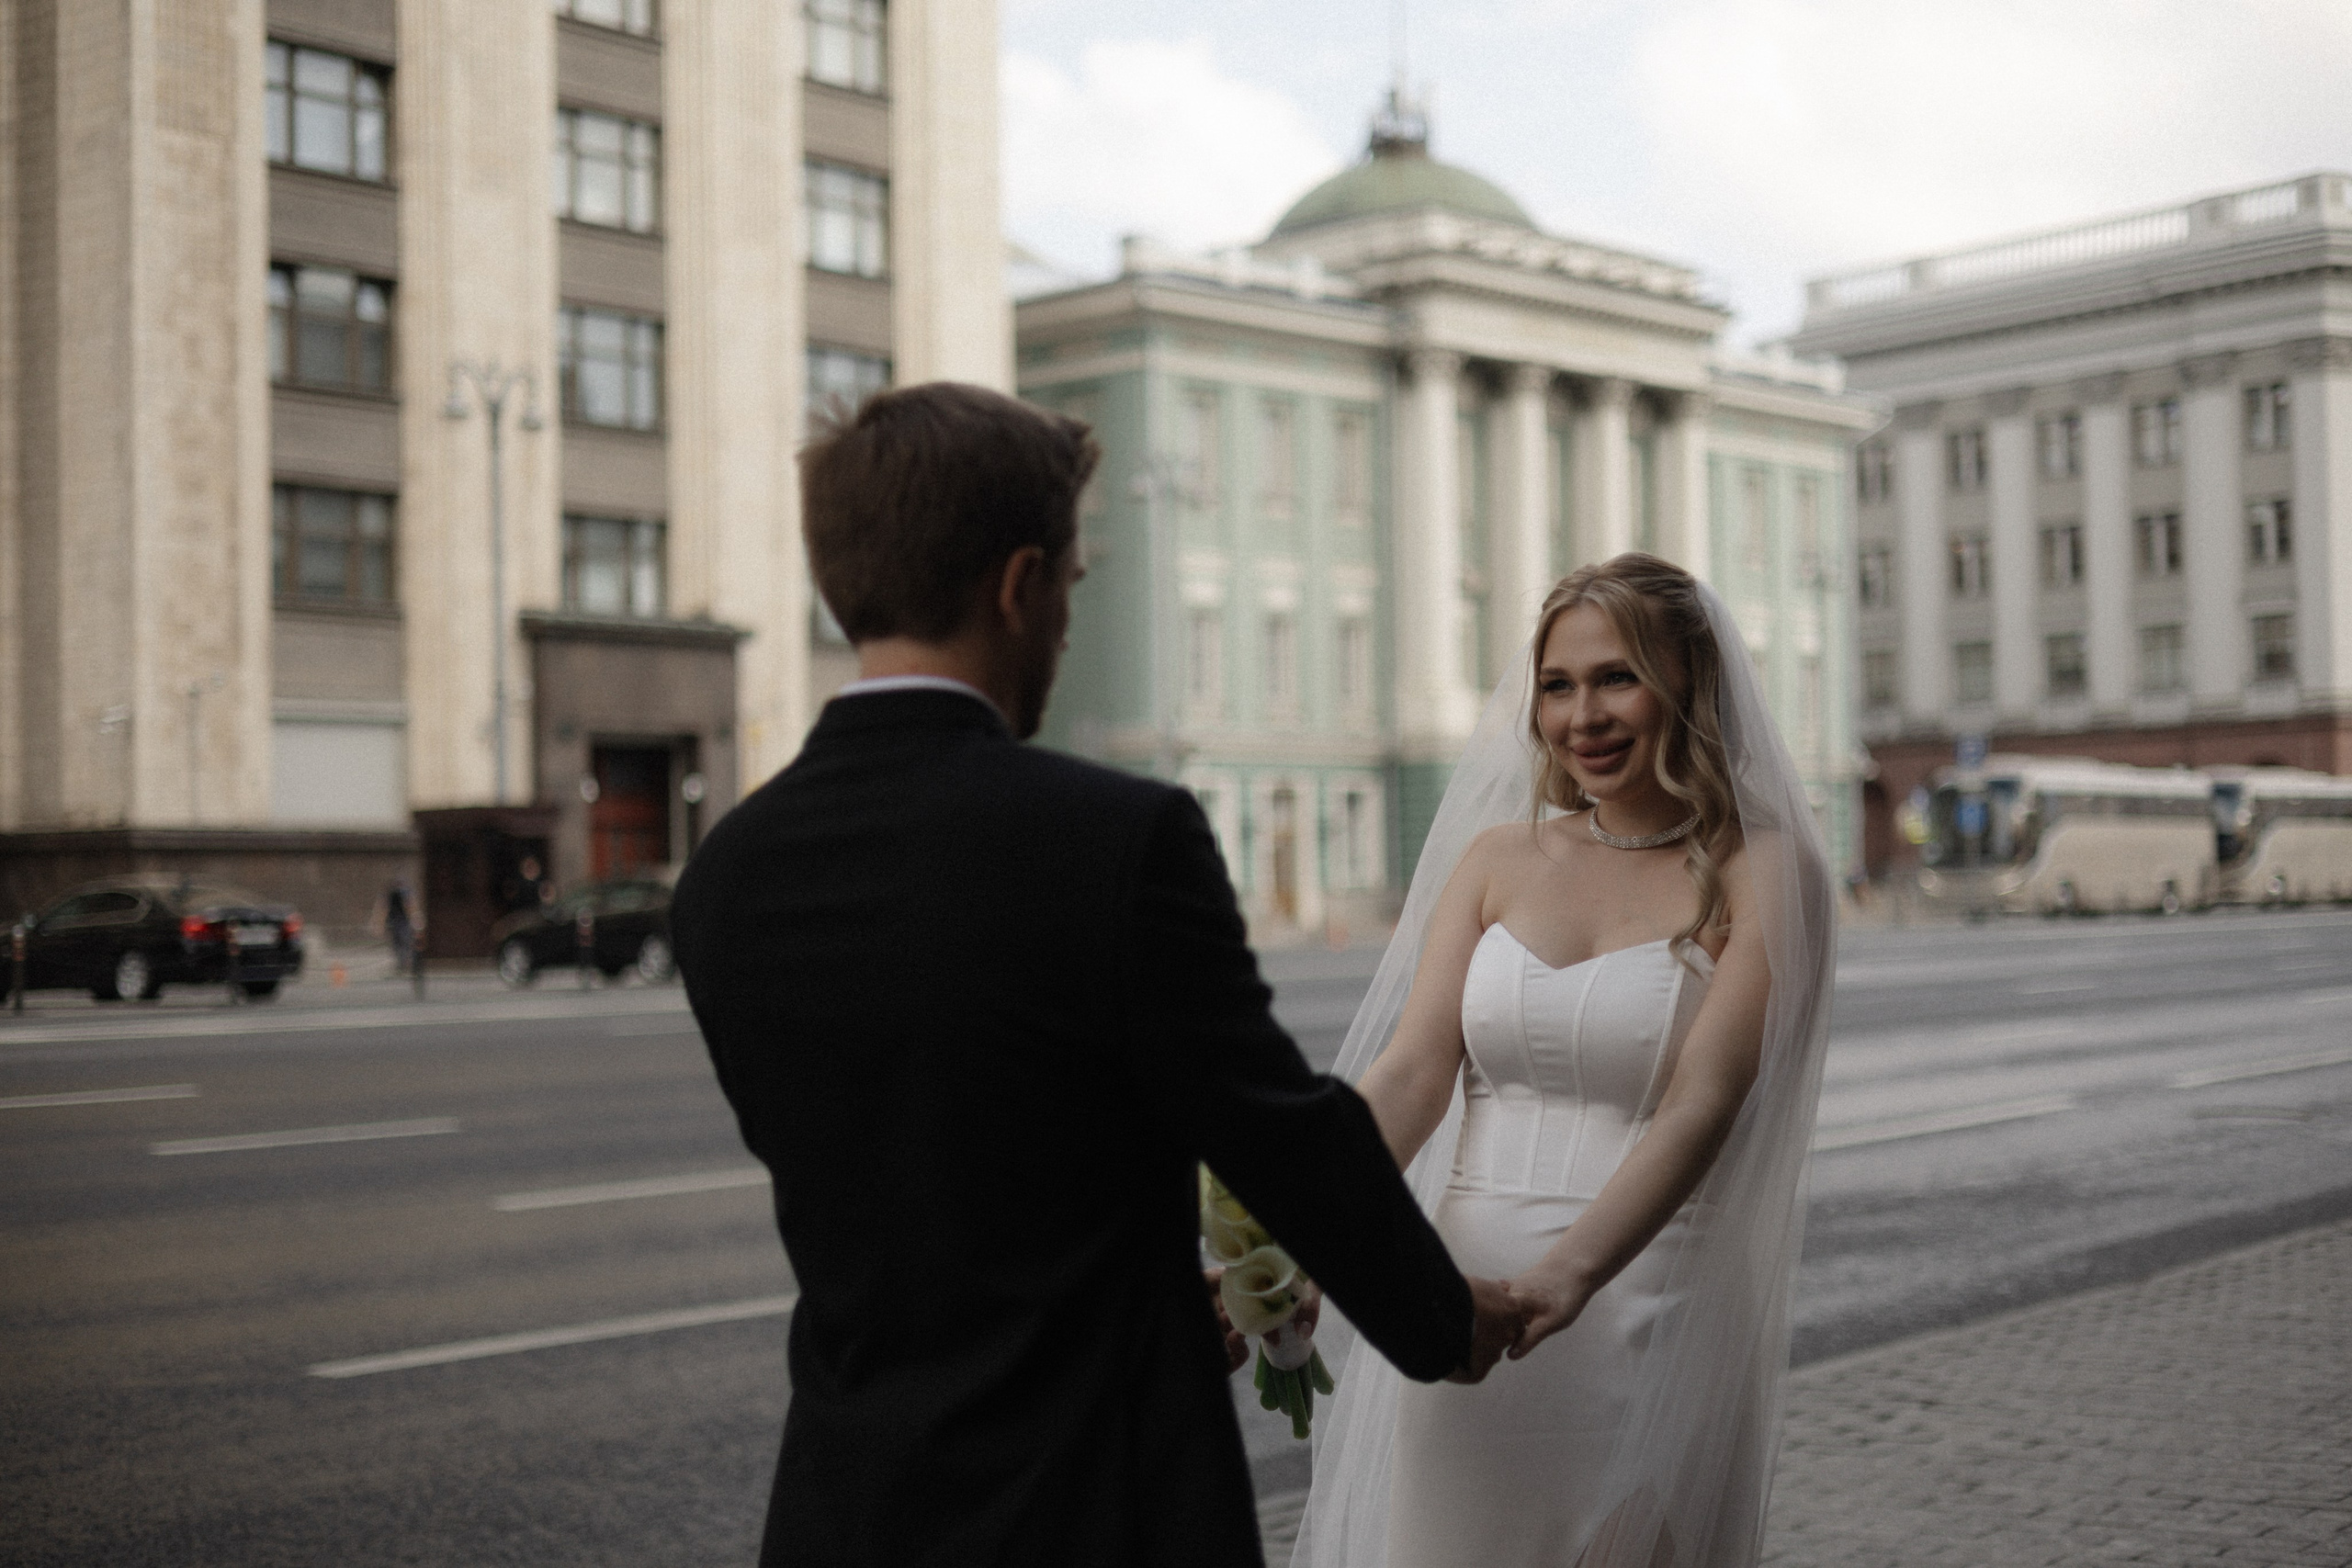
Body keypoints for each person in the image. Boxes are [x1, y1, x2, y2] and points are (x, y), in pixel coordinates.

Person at [668, 382, 1524, 1568]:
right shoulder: (1114, 838)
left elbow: (925, 1186)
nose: (1068, 628)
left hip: (850, 1507)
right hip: (1095, 1500)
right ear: (1019, 585)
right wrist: (1445, 1320)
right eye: (1071, 586)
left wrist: (1157, 1299)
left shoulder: (725, 874)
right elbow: (1276, 1130)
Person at [1293, 554, 1837, 1568]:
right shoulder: (1497, 859)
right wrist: (1311, 1225)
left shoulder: (1764, 866)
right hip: (1465, 1296)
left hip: (1648, 1294)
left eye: (1616, 678)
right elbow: (1413, 1072)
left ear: (1689, 684)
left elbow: (1703, 1098)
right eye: (1557, 685)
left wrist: (1564, 1278)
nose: (1582, 715)